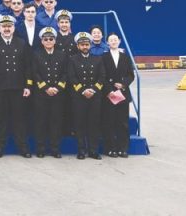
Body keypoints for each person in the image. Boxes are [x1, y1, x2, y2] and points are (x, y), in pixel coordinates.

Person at [0, 15, 32, 158]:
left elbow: (28, 67)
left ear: (13, 28)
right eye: (4, 26)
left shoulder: (22, 43)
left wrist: (28, 86)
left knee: (20, 120)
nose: (6, 29)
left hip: (18, 88)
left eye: (9, 26)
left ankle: (23, 148)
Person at [68, 32, 105, 160]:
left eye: (87, 44)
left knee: (94, 124)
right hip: (79, 97)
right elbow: (72, 77)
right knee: (79, 124)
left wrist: (93, 90)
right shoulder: (72, 59)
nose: (85, 46)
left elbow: (102, 76)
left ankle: (93, 151)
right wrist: (83, 91)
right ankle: (81, 150)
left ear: (90, 45)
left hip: (94, 97)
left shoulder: (98, 59)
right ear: (78, 46)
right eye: (82, 44)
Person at [32, 27, 67, 158]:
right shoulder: (36, 54)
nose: (48, 41)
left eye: (51, 39)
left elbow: (65, 73)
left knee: (56, 122)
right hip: (41, 93)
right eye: (45, 39)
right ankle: (40, 148)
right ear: (42, 41)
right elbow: (35, 73)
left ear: (55, 40)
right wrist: (46, 87)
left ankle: (55, 149)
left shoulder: (62, 54)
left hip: (58, 94)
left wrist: (57, 87)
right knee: (40, 121)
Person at [102, 33, 134, 158]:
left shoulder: (125, 57)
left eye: (115, 39)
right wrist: (109, 90)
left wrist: (123, 84)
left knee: (123, 122)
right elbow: (102, 75)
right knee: (109, 122)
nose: (113, 42)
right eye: (111, 40)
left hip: (122, 93)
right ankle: (110, 148)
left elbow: (131, 75)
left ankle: (123, 148)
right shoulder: (103, 57)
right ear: (107, 42)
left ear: (119, 41)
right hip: (109, 94)